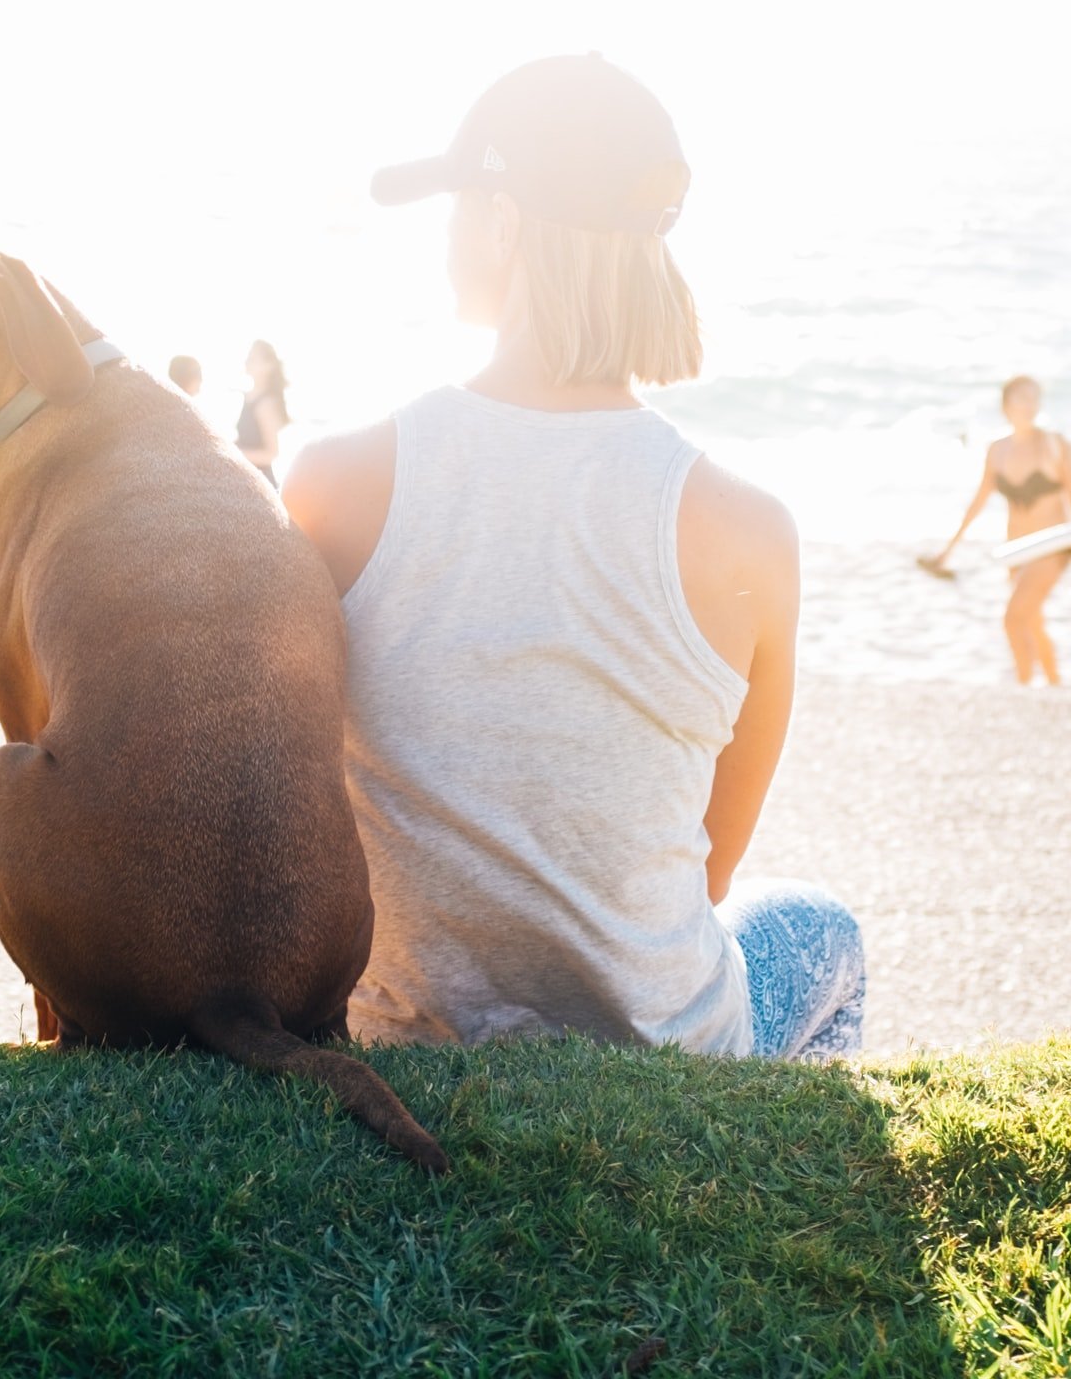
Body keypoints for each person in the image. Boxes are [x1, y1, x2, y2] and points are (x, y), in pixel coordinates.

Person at [283, 54, 862, 1062]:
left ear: (504, 220)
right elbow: (709, 872)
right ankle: (774, 1182)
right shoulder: (749, 530)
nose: (450, 231)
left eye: (459, 203)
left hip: (401, 1034)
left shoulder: (337, 481)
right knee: (825, 930)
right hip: (664, 1047)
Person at [921, 376, 1071, 686]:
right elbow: (977, 503)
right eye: (1022, 398)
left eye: (1035, 398)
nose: (1030, 406)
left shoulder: (1053, 444)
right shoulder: (997, 449)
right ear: (1006, 405)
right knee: (1031, 620)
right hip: (1016, 549)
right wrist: (948, 550)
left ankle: (1024, 689)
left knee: (1013, 618)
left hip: (1053, 545)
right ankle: (1055, 685)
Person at [237, 339, 289, 482]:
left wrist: (234, 453)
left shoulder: (266, 403)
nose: (247, 362)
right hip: (246, 477)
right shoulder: (249, 396)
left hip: (260, 481)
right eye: (248, 357)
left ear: (269, 366)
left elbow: (271, 453)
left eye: (253, 358)